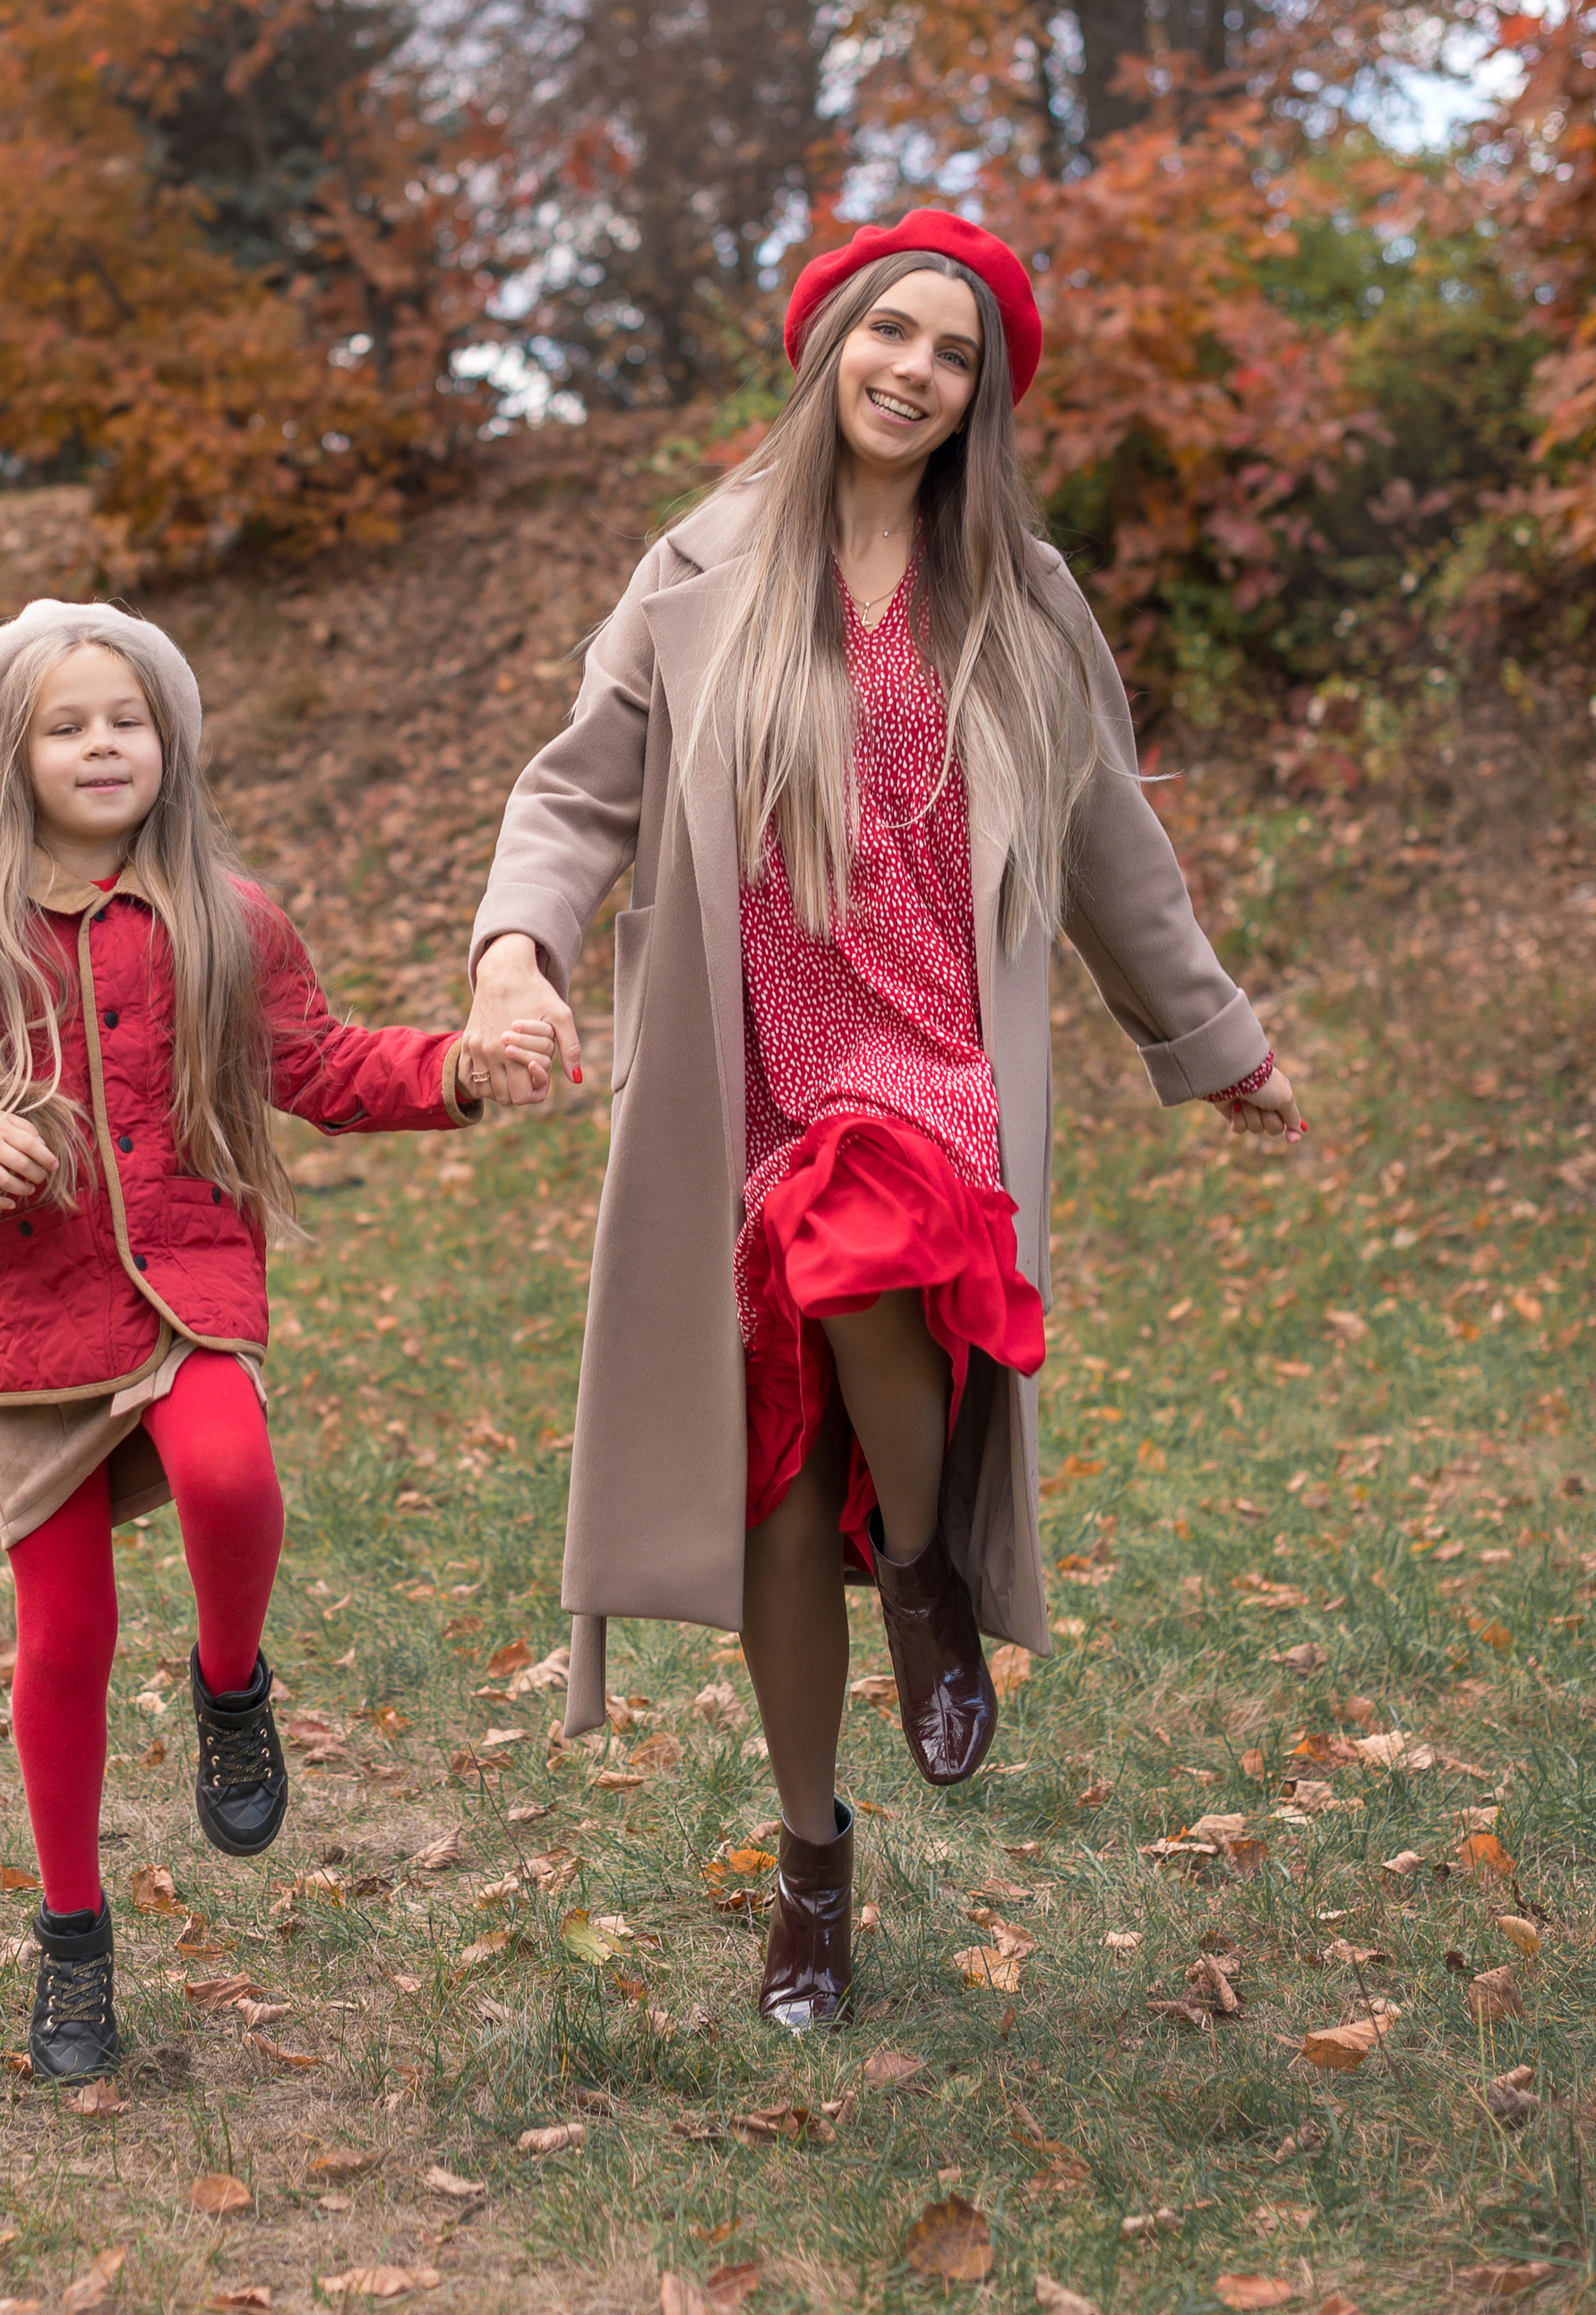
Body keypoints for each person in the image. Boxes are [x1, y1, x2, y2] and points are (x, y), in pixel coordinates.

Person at [463, 215, 1301, 2032]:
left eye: (953, 353)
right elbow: (575, 793)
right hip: (750, 1084)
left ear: (978, 398)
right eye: (889, 332)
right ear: (828, 338)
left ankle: (918, 1571)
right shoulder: (696, 566)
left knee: (862, 1241)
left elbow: (1109, 856)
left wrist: (1212, 1042)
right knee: (775, 1495)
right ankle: (809, 1863)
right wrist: (514, 953)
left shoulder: (1013, 595)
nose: (913, 369)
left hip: (930, 1073)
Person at [0, 600, 517, 2081]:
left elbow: (318, 1062)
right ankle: (71, 1936)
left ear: (168, 743)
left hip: (188, 1275)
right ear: (13, 752)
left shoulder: (228, 918)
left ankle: (232, 1685)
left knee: (234, 1479)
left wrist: (462, 1065)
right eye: (68, 724)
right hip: (27, 1315)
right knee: (64, 1637)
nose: (102, 743)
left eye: (126, 718)